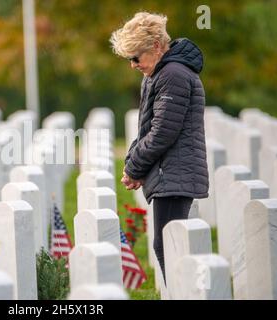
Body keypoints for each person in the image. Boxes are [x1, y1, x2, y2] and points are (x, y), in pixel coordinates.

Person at [110, 12, 209, 284]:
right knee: (168, 246)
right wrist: (134, 165)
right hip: (169, 173)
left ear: (155, 46)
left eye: (135, 57)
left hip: (176, 174)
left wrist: (134, 167)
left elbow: (163, 133)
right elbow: (146, 127)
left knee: (168, 247)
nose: (132, 65)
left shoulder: (173, 74)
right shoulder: (159, 73)